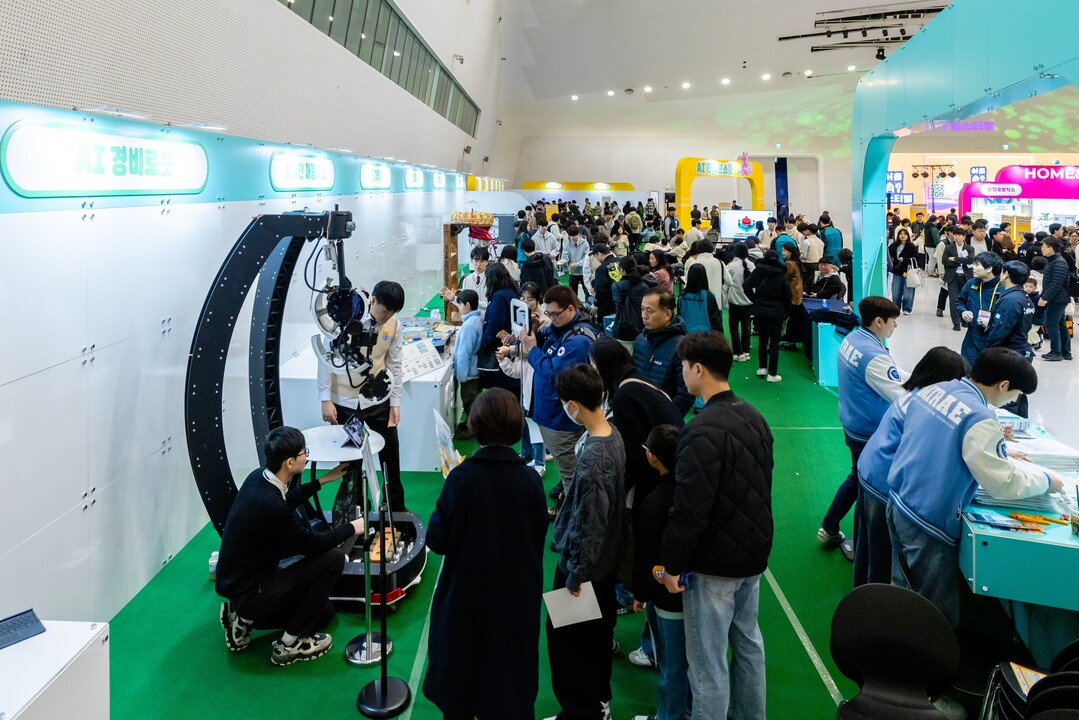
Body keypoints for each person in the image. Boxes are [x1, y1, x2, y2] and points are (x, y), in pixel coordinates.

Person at [886, 348, 1065, 626]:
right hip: (929, 521)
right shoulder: (980, 419)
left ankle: (893, 636)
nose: (1014, 400)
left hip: (899, 500)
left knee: (903, 586)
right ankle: (925, 650)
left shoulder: (938, 389)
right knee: (934, 610)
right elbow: (1003, 482)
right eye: (1017, 394)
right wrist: (1046, 481)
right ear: (1003, 385)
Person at [658, 331, 773, 720]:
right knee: (748, 646)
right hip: (752, 557)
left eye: (683, 366)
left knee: (707, 667)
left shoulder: (700, 430)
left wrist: (672, 564)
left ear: (698, 370)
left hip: (713, 567)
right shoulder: (754, 416)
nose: (681, 373)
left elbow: (689, 509)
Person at [423, 389, 547, 720]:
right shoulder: (530, 480)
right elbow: (537, 537)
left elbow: (437, 540)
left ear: (476, 426)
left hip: (464, 604)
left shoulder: (461, 478)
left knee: (460, 691)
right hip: (515, 606)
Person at [215, 426, 364, 666]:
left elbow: (285, 500)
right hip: (255, 591)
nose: (307, 456)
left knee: (324, 611)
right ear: (290, 463)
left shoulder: (258, 478)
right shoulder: (272, 506)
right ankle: (290, 644)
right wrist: (352, 528)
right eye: (304, 453)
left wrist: (322, 480)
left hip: (241, 584)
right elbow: (311, 546)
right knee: (334, 558)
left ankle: (242, 617)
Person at [545, 365, 625, 720]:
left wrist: (575, 575)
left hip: (584, 571)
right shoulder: (612, 434)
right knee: (596, 640)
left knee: (569, 645)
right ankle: (598, 703)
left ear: (573, 405)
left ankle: (581, 712)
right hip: (604, 565)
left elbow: (590, 524)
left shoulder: (593, 458)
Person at [854, 347, 969, 586]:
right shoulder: (927, 406)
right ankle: (875, 603)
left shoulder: (915, 393)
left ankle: (861, 593)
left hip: (870, 470)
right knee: (883, 557)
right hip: (883, 482)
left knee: (868, 547)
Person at [819, 296, 904, 563]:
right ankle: (856, 542)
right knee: (866, 486)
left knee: (857, 477)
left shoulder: (854, 339)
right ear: (878, 321)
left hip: (853, 421)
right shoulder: (874, 356)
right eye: (893, 321)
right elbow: (900, 396)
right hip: (868, 431)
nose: (895, 326)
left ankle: (830, 525)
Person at [318, 280, 407, 511]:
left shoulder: (393, 324)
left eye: (392, 313)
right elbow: (325, 360)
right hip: (345, 403)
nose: (387, 317)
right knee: (352, 461)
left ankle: (395, 509)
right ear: (372, 300)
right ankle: (356, 511)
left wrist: (395, 403)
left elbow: (395, 364)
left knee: (390, 455)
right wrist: (325, 399)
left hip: (378, 401)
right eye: (384, 311)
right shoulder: (343, 316)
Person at [628, 424, 690, 720]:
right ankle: (688, 709)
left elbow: (647, 555)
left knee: (671, 665)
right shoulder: (691, 491)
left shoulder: (654, 504)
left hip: (667, 599)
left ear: (653, 457)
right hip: (695, 592)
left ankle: (670, 715)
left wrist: (640, 592)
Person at [520, 285, 598, 510]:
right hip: (552, 414)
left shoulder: (578, 342)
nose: (551, 319)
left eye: (555, 314)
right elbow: (551, 341)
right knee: (570, 471)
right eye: (548, 314)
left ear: (571, 309)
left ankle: (574, 516)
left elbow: (552, 372)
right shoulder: (564, 329)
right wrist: (537, 331)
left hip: (560, 421)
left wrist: (532, 349)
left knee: (571, 474)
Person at [633, 289, 694, 416]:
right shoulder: (640, 340)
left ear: (667, 314)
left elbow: (685, 394)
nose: (644, 315)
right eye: (642, 309)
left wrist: (667, 418)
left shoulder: (682, 347)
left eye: (649, 311)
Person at [743, 249, 790, 382]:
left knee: (762, 340)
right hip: (777, 312)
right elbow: (787, 296)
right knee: (774, 343)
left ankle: (762, 368)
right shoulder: (782, 275)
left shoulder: (758, 271)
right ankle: (772, 374)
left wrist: (754, 300)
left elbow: (746, 286)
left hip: (760, 311)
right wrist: (787, 312)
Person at [956, 251, 1003, 367]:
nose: (973, 267)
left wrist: (991, 323)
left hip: (993, 340)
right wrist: (963, 311)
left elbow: (1008, 316)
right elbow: (959, 301)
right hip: (972, 336)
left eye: (977, 264)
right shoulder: (971, 283)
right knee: (967, 369)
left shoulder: (1003, 288)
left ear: (989, 269)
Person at [451, 289, 483, 440]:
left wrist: (461, 375)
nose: (459, 308)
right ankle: (471, 423)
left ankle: (474, 429)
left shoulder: (469, 325)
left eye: (460, 305)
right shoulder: (476, 320)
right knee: (473, 399)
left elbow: (464, 352)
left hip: (469, 372)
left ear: (468, 305)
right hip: (474, 370)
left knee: (470, 401)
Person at [1038, 236, 1073, 361]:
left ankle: (1056, 352)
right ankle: (1065, 352)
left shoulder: (1058, 262)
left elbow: (1056, 283)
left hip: (1058, 299)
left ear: (1050, 248)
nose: (1041, 248)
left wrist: (1045, 297)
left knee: (1050, 323)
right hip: (1057, 298)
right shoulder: (1053, 260)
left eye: (1043, 246)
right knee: (1060, 324)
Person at [939, 225, 975, 331]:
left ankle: (965, 320)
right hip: (953, 277)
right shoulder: (949, 248)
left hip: (966, 277)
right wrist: (961, 261)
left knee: (966, 299)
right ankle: (956, 322)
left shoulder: (969, 248)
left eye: (959, 235)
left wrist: (955, 259)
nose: (957, 237)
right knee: (953, 299)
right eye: (955, 235)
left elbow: (970, 260)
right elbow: (944, 261)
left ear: (964, 237)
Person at [725, 243, 756, 362]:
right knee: (746, 327)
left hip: (735, 302)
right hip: (749, 302)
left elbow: (726, 284)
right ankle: (746, 351)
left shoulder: (731, 267)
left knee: (734, 328)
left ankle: (738, 352)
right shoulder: (752, 265)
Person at [677, 263, 724, 334]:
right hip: (705, 336)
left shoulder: (682, 297)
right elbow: (716, 320)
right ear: (704, 277)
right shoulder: (709, 296)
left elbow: (679, 319)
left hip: (686, 336)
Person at [612, 256, 648, 345]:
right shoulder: (644, 285)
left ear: (622, 270)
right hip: (643, 326)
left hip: (624, 329)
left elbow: (618, 308)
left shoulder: (617, 286)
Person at [888, 227, 919, 314]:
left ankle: (907, 308)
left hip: (908, 271)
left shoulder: (911, 246)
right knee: (895, 292)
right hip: (897, 272)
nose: (902, 236)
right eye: (900, 234)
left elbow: (916, 259)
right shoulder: (893, 246)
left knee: (908, 291)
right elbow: (889, 256)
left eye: (904, 234)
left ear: (907, 236)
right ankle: (896, 308)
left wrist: (904, 259)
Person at [560, 225, 590, 299]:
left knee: (587, 292)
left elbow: (586, 259)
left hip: (583, 272)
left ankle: (588, 304)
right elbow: (565, 257)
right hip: (572, 272)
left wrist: (576, 264)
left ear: (578, 234)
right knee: (572, 293)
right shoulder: (567, 244)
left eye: (574, 235)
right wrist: (561, 262)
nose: (573, 238)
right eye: (571, 236)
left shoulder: (585, 244)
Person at [590, 243, 617, 321]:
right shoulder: (621, 261)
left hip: (608, 305)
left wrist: (596, 305)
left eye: (595, 256)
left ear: (599, 254)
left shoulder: (601, 269)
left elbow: (601, 290)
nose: (596, 259)